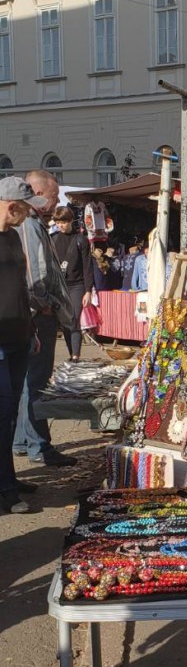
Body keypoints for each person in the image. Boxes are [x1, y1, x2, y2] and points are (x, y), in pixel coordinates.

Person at [13, 169, 74, 469]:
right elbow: (34, 272)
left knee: (27, 382)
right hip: (37, 315)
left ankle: (24, 440)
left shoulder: (32, 223)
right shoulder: (29, 225)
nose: (55, 201)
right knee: (36, 382)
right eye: (52, 195)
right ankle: (38, 444)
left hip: (31, 314)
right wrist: (45, 305)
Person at [0, 178, 47, 513]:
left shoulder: (14, 237)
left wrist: (31, 328)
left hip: (18, 336)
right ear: (12, 206)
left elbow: (19, 285)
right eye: (26, 208)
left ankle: (8, 479)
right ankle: (6, 491)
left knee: (10, 415)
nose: (29, 215)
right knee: (2, 415)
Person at [50, 206, 94, 361]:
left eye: (63, 222)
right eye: (58, 222)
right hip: (59, 285)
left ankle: (75, 355)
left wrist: (89, 290)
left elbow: (88, 266)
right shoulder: (53, 238)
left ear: (70, 221)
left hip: (77, 285)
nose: (60, 225)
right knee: (65, 321)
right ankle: (70, 354)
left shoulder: (80, 239)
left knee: (74, 318)